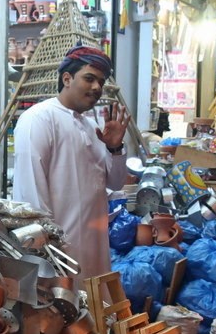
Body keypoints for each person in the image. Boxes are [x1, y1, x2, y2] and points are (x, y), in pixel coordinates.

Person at [12, 45, 130, 281]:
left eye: (101, 81)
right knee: (61, 313)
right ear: (67, 78)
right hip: (57, 251)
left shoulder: (90, 126)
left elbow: (116, 184)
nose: (97, 87)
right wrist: (47, 250)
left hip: (93, 246)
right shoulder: (38, 119)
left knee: (94, 309)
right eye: (89, 78)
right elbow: (31, 195)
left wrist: (114, 148)